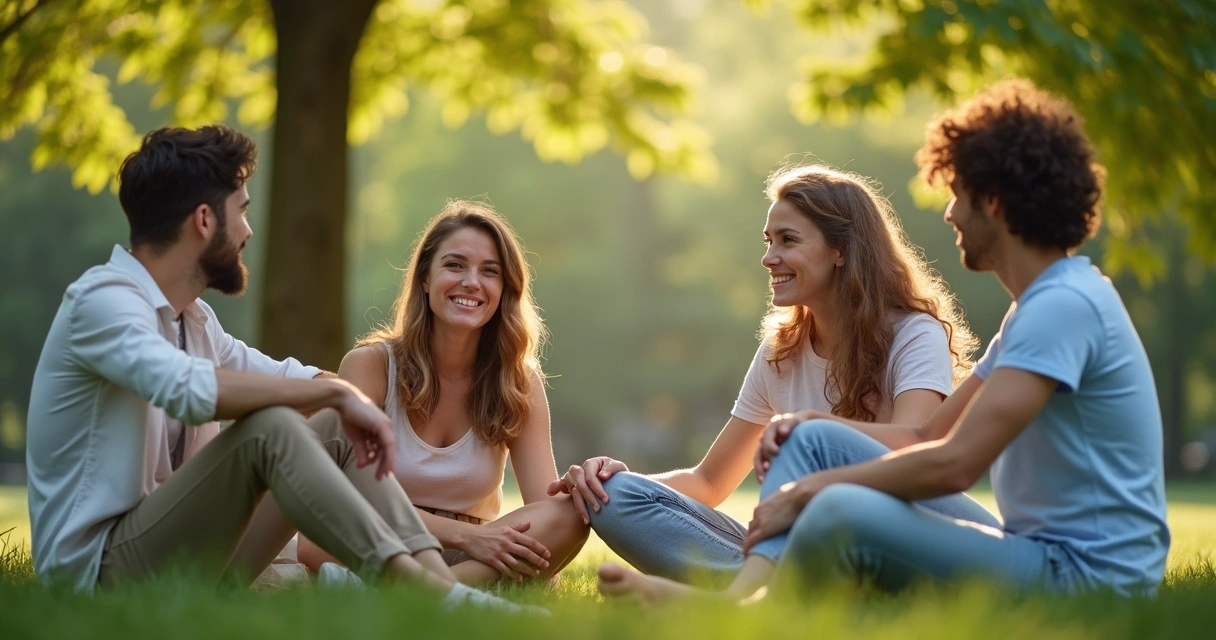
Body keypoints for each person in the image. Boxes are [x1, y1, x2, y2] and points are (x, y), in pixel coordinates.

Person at [597, 78, 1169, 603]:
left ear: (993, 203)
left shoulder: (1062, 307)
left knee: (831, 492)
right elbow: (927, 437)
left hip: (1085, 578)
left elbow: (954, 464)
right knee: (813, 454)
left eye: (958, 194)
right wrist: (807, 442)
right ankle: (754, 596)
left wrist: (808, 488)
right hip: (1044, 558)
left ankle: (740, 606)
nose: (950, 213)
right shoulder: (1037, 309)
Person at [25, 125, 543, 612]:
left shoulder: (194, 321)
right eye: (241, 211)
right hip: (101, 572)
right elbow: (184, 387)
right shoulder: (104, 302)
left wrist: (337, 393)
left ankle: (436, 591)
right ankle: (430, 592)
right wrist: (332, 396)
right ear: (205, 221)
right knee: (271, 429)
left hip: (192, 557)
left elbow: (284, 374)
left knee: (335, 418)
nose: (248, 231)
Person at [549, 163, 985, 598]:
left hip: (908, 533)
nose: (769, 257)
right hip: (808, 539)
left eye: (788, 240)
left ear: (841, 250)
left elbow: (914, 454)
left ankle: (769, 590)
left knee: (809, 442)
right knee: (616, 497)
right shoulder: (780, 352)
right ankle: (783, 587)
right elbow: (709, 481)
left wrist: (811, 437)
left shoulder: (914, 333)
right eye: (769, 241)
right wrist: (610, 482)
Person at [297, 202, 588, 583]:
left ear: (505, 288)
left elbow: (546, 507)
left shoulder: (518, 381)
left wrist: (581, 484)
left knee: (569, 514)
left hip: (471, 554)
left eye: (490, 271)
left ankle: (422, 590)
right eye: (455, 265)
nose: (472, 282)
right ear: (424, 278)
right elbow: (336, 502)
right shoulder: (372, 366)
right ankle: (454, 592)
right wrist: (466, 535)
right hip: (381, 537)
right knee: (322, 528)